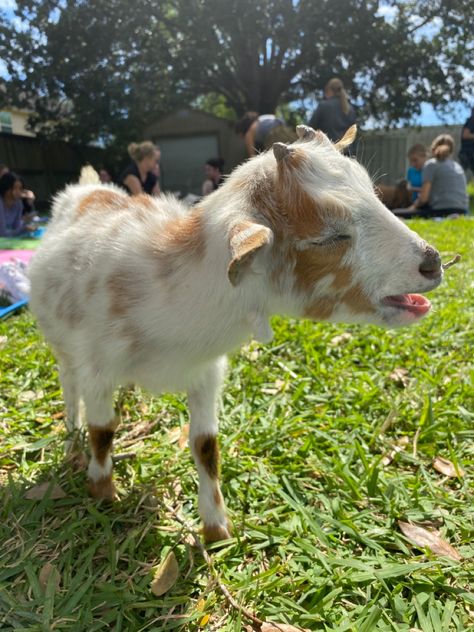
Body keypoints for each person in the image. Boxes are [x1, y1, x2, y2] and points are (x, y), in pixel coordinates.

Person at [394, 134, 468, 218]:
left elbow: (423, 199)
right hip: (462, 210)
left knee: (395, 213)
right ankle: (453, 216)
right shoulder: (457, 166)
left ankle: (446, 216)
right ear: (451, 151)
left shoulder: (431, 164)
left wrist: (412, 208)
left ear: (433, 148)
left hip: (440, 210)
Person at [309, 78, 357, 143]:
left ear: (329, 90)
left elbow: (310, 128)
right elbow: (353, 132)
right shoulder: (350, 109)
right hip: (346, 150)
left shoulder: (323, 106)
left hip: (327, 150)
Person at [0, 171, 35, 237]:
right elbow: (2, 233)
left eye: (20, 188)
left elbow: (16, 227)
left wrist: (26, 224)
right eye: (15, 188)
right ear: (6, 187)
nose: (18, 191)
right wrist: (23, 229)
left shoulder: (18, 204)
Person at [458, 106, 474, 174]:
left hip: (470, 153)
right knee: (460, 173)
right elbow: (465, 135)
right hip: (467, 153)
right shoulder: (472, 121)